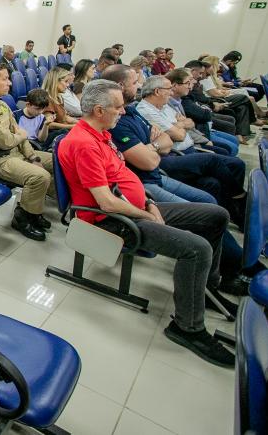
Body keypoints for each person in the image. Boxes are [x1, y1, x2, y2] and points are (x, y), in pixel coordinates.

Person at [58, 79, 234, 367]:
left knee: (217, 215)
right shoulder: (83, 143)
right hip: (112, 220)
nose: (123, 112)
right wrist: (147, 214)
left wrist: (149, 203)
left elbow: (123, 180)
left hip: (136, 207)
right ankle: (188, 327)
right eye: (117, 107)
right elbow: (106, 202)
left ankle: (207, 286)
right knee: (197, 248)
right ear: (99, 110)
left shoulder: (102, 134)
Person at [103, 65, 248, 228]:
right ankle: (240, 199)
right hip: (149, 177)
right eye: (135, 82)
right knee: (211, 199)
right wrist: (157, 144)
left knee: (212, 188)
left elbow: (169, 139)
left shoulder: (132, 111)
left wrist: (153, 146)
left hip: (159, 168)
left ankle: (238, 216)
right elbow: (154, 156)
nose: (139, 86)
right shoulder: (121, 119)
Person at [0, 62, 53, 241]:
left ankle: (34, 210)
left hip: (16, 153)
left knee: (55, 160)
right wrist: (21, 135)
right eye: (5, 79)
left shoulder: (3, 105)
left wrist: (32, 156)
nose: (10, 83)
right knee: (39, 176)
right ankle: (23, 218)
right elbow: (5, 141)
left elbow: (19, 135)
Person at [164, 69, 235, 155]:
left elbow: (191, 125)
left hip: (195, 136)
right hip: (186, 144)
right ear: (175, 85)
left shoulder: (179, 100)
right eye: (188, 82)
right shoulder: (170, 103)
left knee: (229, 147)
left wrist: (186, 124)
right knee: (228, 150)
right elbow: (181, 132)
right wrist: (204, 140)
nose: (191, 85)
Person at [41, 65, 78, 131]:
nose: (68, 85)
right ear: (55, 81)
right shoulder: (47, 99)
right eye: (66, 81)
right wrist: (71, 126)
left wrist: (79, 123)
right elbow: (49, 124)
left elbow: (65, 117)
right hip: (55, 135)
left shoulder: (58, 97)